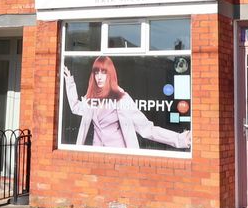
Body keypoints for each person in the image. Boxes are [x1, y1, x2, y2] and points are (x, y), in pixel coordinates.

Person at [61, 57, 191, 150]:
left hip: (118, 154)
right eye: (96, 72)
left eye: (103, 72)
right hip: (97, 153)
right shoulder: (92, 99)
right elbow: (75, 108)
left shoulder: (122, 98)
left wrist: (180, 139)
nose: (99, 77)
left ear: (110, 74)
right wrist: (69, 82)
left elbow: (146, 129)